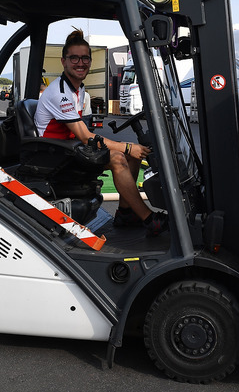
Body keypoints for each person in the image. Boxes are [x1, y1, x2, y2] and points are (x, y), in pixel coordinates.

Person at [34, 29, 168, 237]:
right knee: (118, 156)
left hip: (70, 149)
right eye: (74, 58)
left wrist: (128, 149)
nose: (80, 63)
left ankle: (125, 213)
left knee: (130, 156)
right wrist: (127, 146)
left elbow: (83, 135)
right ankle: (149, 219)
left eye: (85, 58)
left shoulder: (77, 89)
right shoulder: (59, 93)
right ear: (64, 62)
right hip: (55, 155)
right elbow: (85, 136)